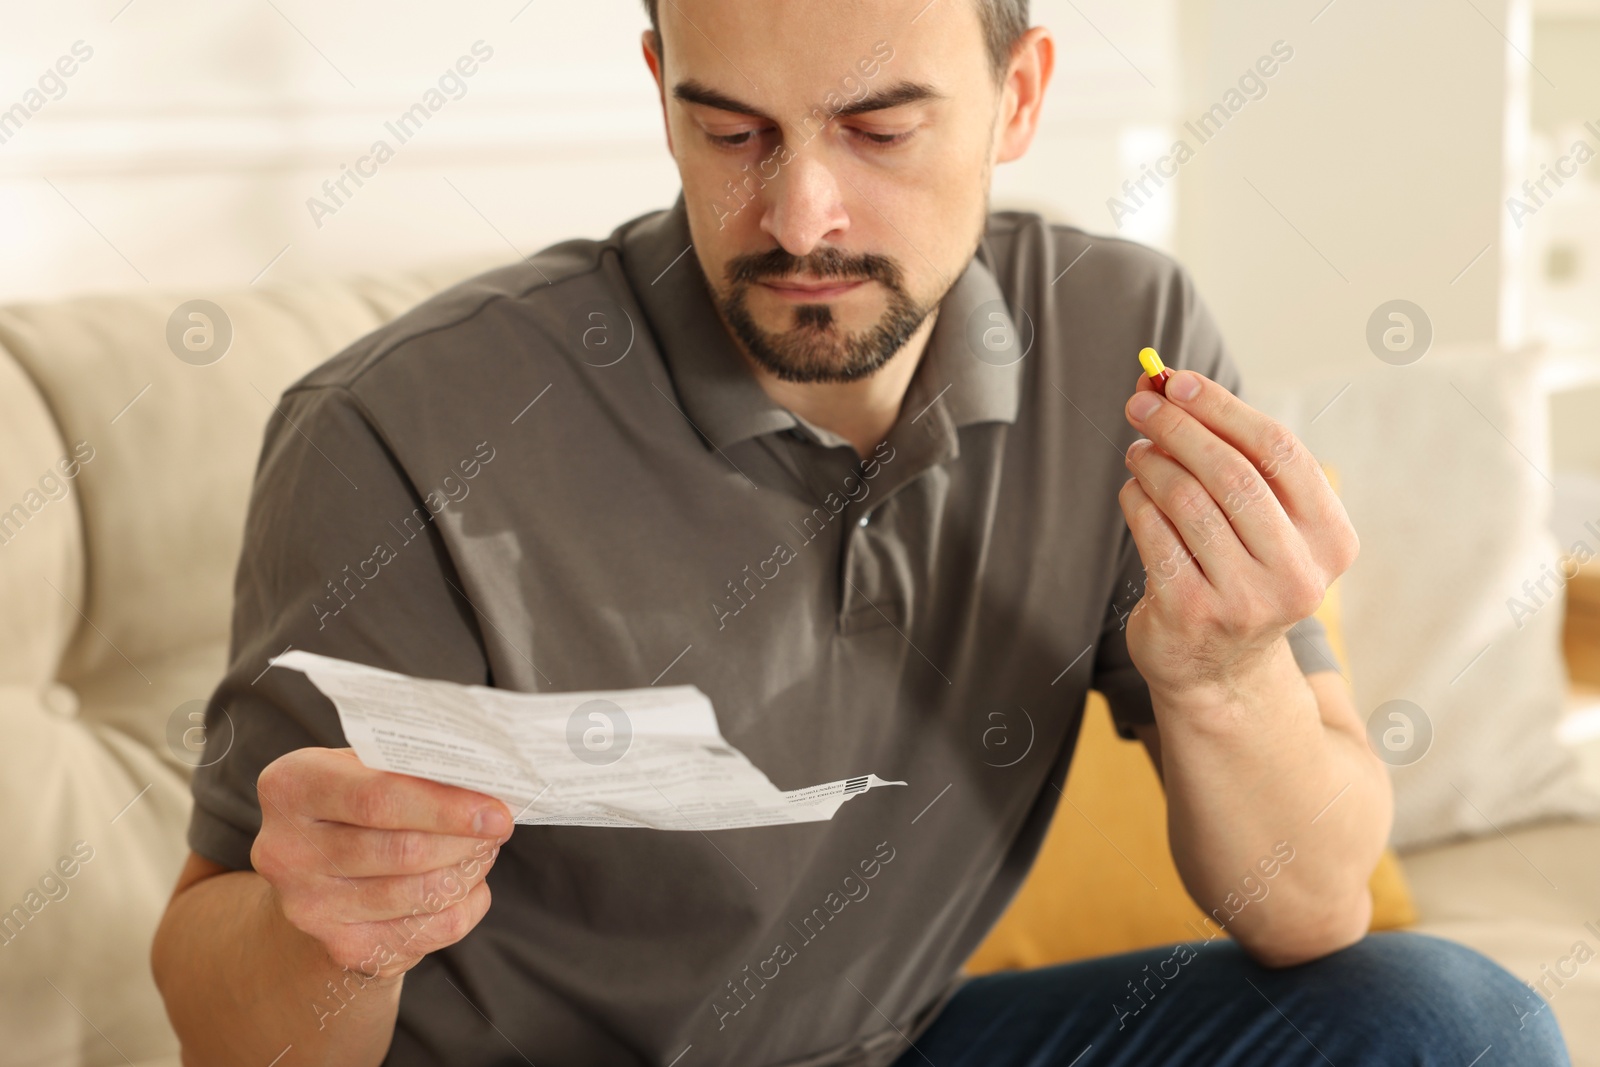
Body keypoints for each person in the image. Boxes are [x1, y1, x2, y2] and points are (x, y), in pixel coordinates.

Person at [150, 1, 1571, 1064]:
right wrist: (325, 931)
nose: (800, 215)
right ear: (660, 92)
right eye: (732, 132)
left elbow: (1312, 908)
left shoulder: (1119, 339)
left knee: (1447, 1023)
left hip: (894, 1046)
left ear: (1020, 98)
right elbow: (226, 1017)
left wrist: (1228, 674)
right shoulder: (400, 428)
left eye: (881, 130)